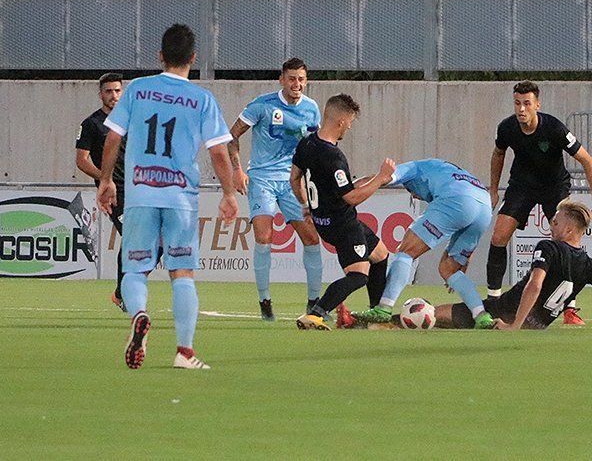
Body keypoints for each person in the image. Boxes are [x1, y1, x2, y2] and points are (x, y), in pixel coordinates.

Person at [97, 24, 238, 370]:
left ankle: (140, 314)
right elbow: (219, 153)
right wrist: (229, 192)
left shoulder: (138, 90)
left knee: (134, 269)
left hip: (141, 193)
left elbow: (113, 138)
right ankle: (184, 353)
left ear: (160, 55)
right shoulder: (202, 99)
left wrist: (106, 181)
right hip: (180, 198)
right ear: (193, 57)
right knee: (183, 272)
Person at [435, 200, 592, 333]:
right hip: (538, 326)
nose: (551, 226)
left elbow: (535, 284)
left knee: (431, 315)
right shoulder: (589, 264)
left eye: (555, 222)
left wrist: (515, 325)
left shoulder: (548, 247)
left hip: (501, 312)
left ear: (569, 230)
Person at [485, 80, 592, 325]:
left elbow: (586, 159)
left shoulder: (554, 129)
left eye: (527, 104)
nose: (521, 109)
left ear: (537, 105)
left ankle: (569, 309)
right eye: (517, 103)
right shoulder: (507, 128)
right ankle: (492, 303)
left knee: (564, 244)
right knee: (499, 236)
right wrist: (494, 189)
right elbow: (498, 154)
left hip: (554, 187)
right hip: (522, 186)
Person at [350, 159, 497, 329]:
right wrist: (463, 263)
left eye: (411, 190)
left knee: (405, 251)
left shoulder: (413, 168)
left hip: (457, 198)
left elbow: (379, 178)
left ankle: (383, 309)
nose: (414, 195)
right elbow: (466, 251)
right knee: (449, 269)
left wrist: (345, 191)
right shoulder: (445, 169)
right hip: (484, 206)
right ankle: (482, 316)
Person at [228, 58, 323, 321]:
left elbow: (314, 146)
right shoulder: (263, 105)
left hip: (293, 182)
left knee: (312, 239)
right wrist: (238, 171)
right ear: (282, 79)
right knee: (264, 237)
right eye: (292, 78)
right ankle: (265, 300)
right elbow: (232, 135)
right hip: (262, 179)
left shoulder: (312, 109)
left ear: (306, 80)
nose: (297, 84)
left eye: (301, 79)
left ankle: (314, 302)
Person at [290, 94, 393, 330]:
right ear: (341, 122)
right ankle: (317, 312)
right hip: (342, 224)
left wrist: (306, 205)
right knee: (358, 275)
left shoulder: (307, 143)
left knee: (380, 254)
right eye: (350, 122)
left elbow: (295, 178)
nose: (350, 126)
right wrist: (380, 178)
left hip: (323, 220)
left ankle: (376, 312)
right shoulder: (334, 156)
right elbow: (351, 197)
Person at [75, 72, 128, 311]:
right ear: (101, 94)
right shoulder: (92, 124)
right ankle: (125, 293)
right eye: (108, 91)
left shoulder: (130, 120)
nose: (113, 95)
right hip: (113, 193)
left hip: (139, 188)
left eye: (117, 90)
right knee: (132, 237)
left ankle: (122, 291)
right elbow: (82, 160)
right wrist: (105, 179)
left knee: (151, 242)